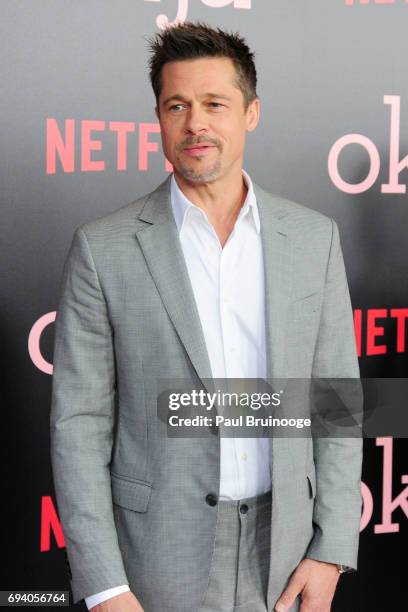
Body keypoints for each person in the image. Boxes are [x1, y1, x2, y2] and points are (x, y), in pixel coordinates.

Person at [50, 21, 363, 612]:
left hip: (288, 551)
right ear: (160, 120)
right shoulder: (103, 247)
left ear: (250, 113)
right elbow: (79, 428)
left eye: (214, 103)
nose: (195, 122)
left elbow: (336, 400)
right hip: (155, 555)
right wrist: (105, 586)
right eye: (177, 105)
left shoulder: (313, 238)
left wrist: (331, 548)